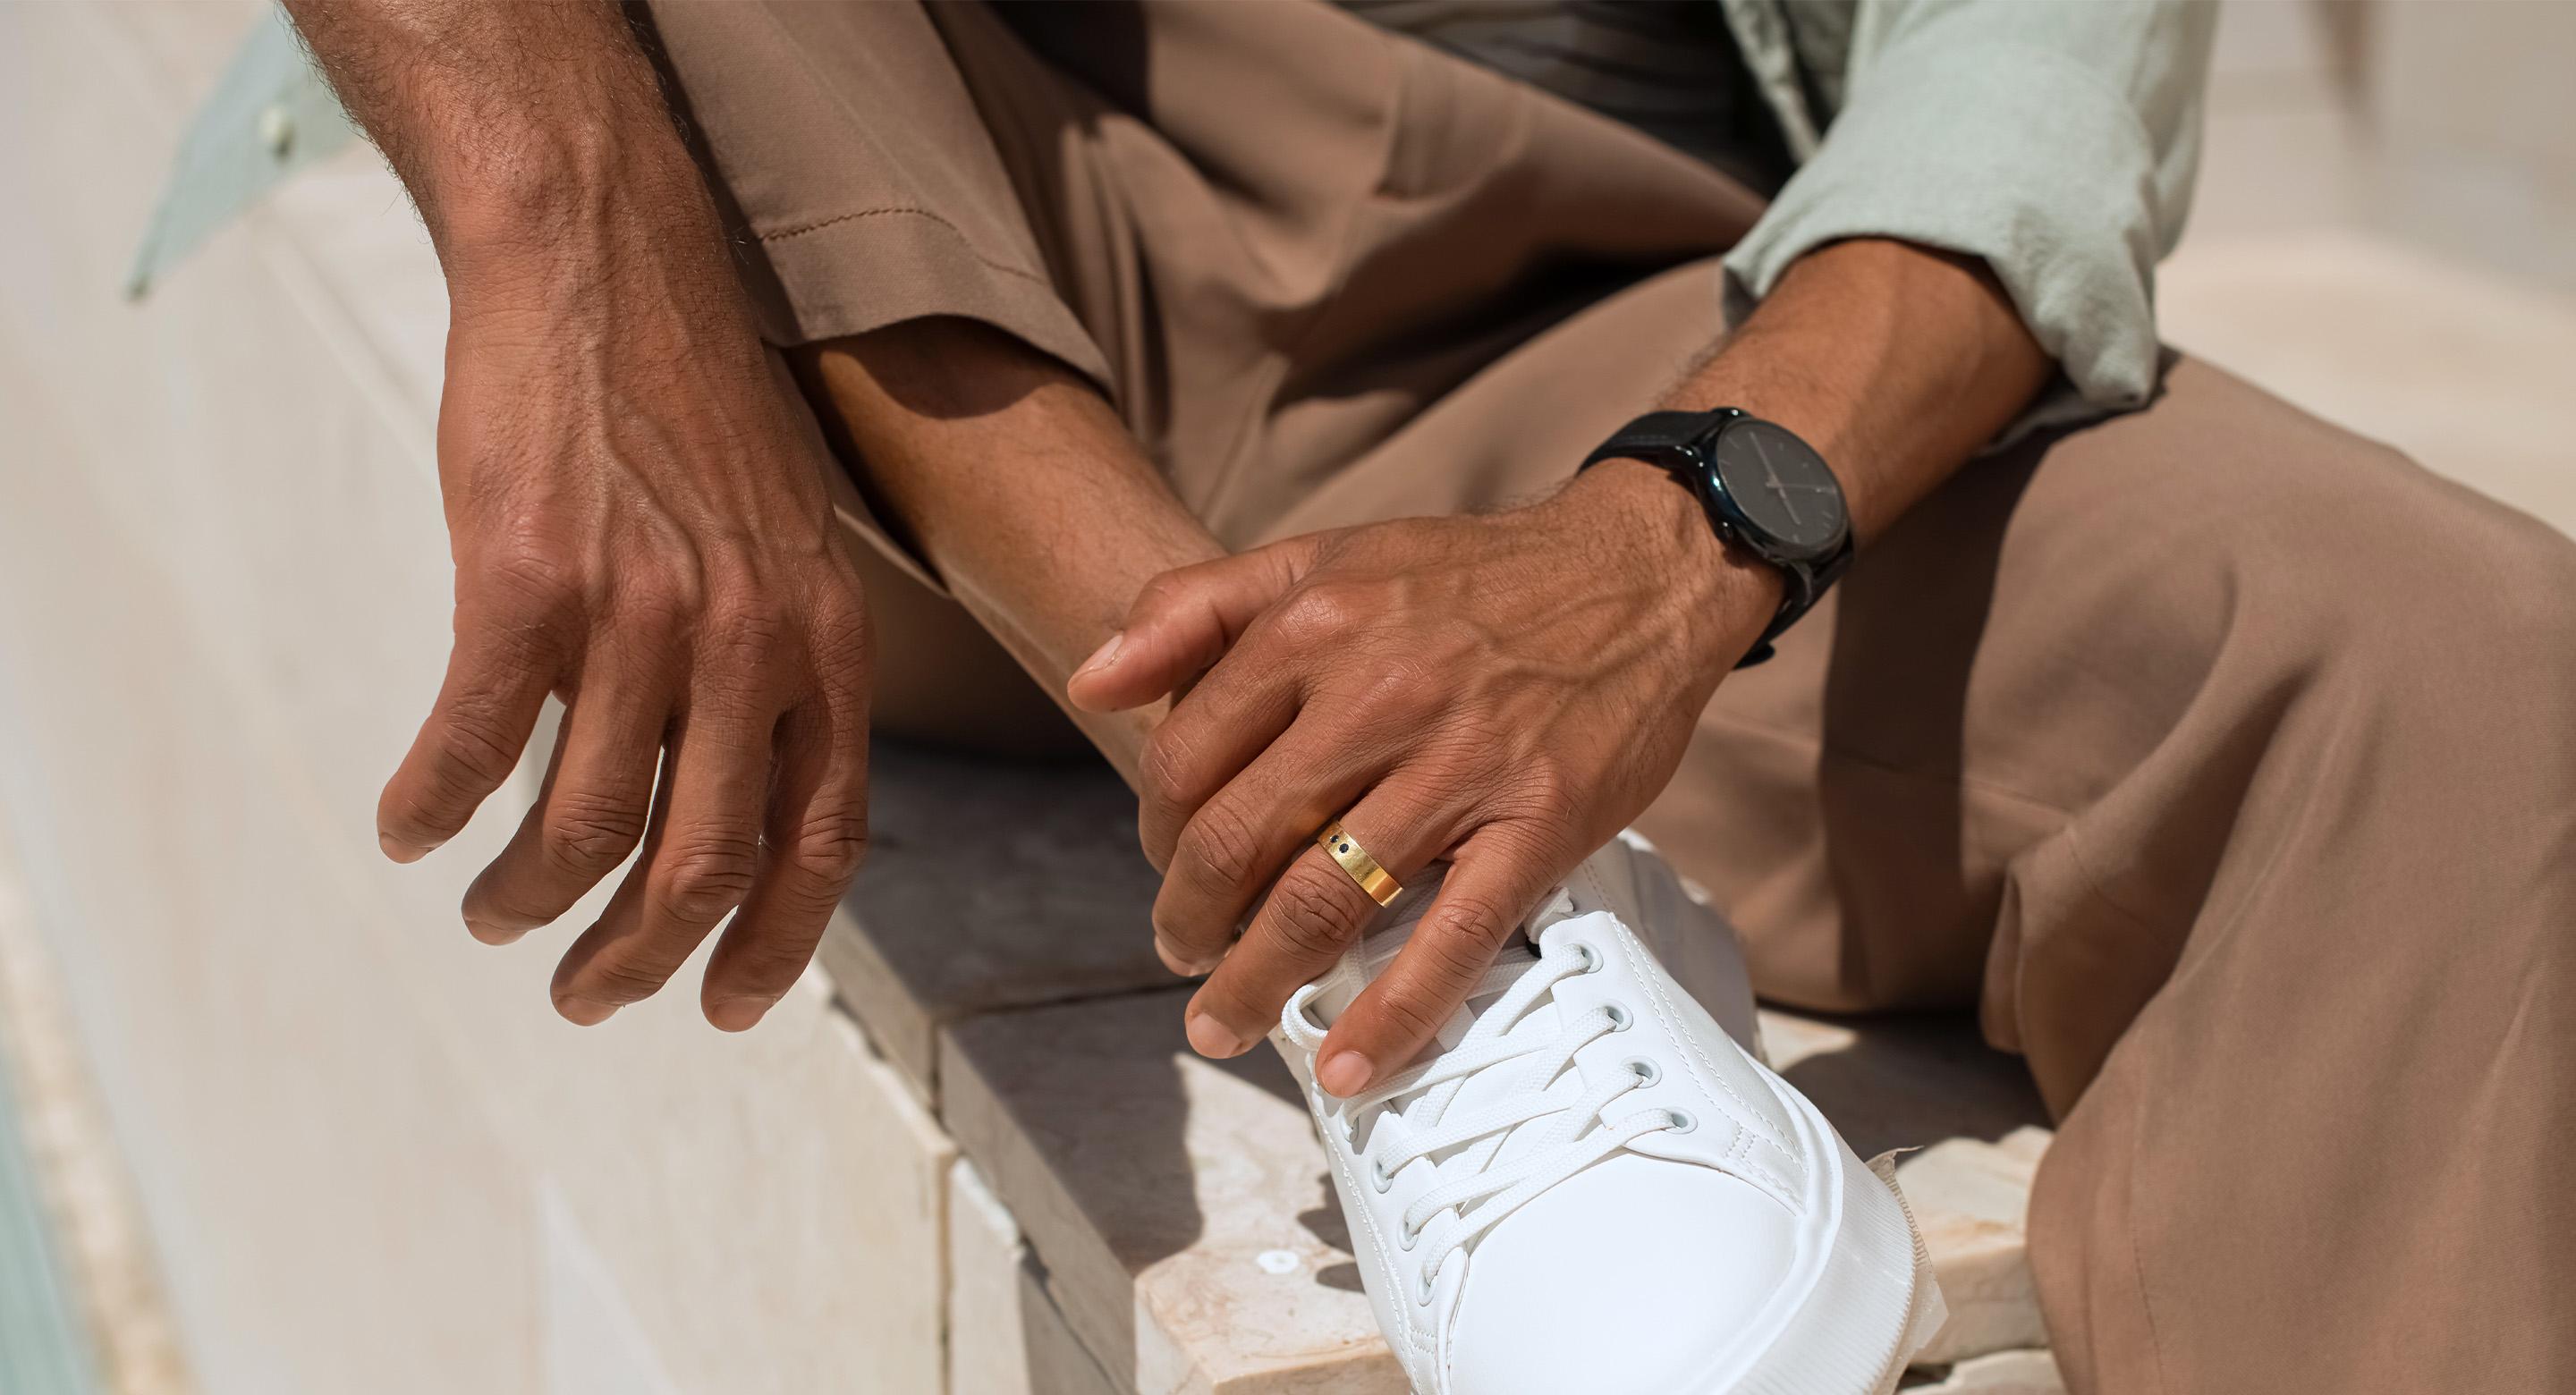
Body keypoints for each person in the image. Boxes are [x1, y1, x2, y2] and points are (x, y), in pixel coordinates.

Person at [280, 2, 2571, 1391]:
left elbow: (2030, 74)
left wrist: (1668, 540)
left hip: (1634, 293)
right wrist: (560, 218)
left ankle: (1363, 800)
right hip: (885, 300)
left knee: (2474, 688)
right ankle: (1356, 870)